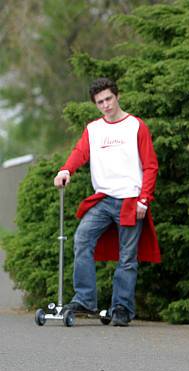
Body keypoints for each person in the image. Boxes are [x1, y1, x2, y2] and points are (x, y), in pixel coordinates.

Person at [53, 77, 161, 327]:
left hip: (130, 200)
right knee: (82, 239)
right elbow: (80, 153)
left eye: (109, 99)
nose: (106, 105)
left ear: (117, 96)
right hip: (102, 199)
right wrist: (66, 170)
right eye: (100, 102)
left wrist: (144, 199)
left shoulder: (136, 126)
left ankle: (122, 308)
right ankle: (85, 300)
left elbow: (150, 166)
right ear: (95, 104)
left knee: (127, 257)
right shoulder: (94, 129)